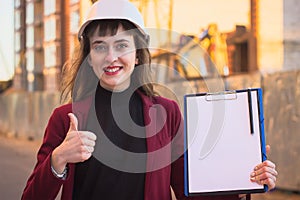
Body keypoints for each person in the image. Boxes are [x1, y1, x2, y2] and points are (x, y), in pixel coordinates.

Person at [21, 0, 278, 199]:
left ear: (137, 55)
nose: (111, 57)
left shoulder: (168, 114)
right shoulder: (66, 119)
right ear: (90, 56)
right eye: (100, 46)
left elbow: (187, 192)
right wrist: (58, 159)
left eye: (121, 45)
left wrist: (242, 183)